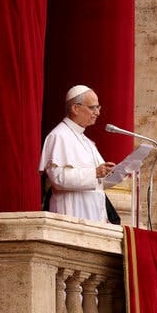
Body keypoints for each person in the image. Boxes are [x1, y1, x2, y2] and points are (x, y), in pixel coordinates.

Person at [39, 85, 116, 223]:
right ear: (75, 108)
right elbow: (58, 178)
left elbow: (98, 182)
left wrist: (114, 173)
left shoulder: (86, 141)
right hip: (73, 213)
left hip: (94, 215)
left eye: (98, 107)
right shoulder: (59, 136)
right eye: (93, 107)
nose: (97, 112)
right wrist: (95, 173)